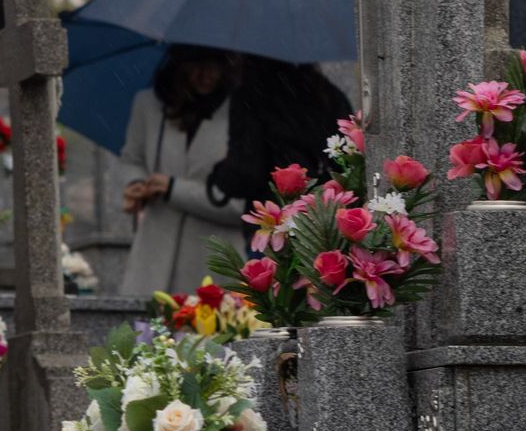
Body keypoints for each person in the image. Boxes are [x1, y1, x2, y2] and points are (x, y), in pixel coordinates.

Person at [117, 45, 246, 296]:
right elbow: (131, 158)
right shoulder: (149, 105)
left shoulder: (240, 113)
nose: (206, 74)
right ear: (178, 64)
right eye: (196, 64)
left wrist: (173, 189)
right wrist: (135, 183)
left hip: (214, 267)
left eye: (215, 64)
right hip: (151, 264)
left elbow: (239, 205)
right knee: (146, 333)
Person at [207, 57, 352, 203]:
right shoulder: (328, 94)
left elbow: (245, 174)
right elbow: (347, 162)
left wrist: (220, 174)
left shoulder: (251, 95)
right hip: (323, 212)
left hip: (277, 213)